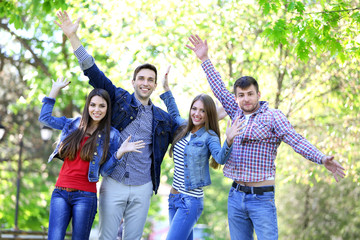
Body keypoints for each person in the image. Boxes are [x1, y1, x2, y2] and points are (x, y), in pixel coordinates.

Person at [186, 34, 346, 240]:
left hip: (261, 199)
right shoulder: (234, 111)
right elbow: (218, 87)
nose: (246, 99)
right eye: (241, 95)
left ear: (258, 94)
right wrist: (204, 59)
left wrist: (322, 158)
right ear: (236, 97)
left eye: (250, 94)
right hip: (235, 196)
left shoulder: (273, 117)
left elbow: (296, 140)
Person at [54, 11, 178, 240]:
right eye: (141, 78)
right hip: (114, 182)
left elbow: (182, 127)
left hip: (143, 186)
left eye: (150, 79)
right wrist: (73, 37)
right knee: (107, 237)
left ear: (154, 86)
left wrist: (171, 95)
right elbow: (93, 72)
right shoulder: (119, 99)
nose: (145, 83)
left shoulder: (162, 118)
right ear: (133, 82)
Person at [38, 77, 145, 240]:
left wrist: (119, 153)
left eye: (102, 106)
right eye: (93, 105)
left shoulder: (112, 135)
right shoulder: (72, 124)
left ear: (107, 109)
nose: (97, 109)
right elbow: (45, 118)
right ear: (87, 106)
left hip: (85, 196)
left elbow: (103, 170)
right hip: (60, 192)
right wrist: (55, 90)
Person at [159, 67, 245, 240]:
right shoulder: (183, 128)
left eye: (202, 111)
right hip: (173, 200)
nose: (197, 113)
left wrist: (228, 141)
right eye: (195, 109)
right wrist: (166, 88)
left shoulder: (209, 136)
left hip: (190, 202)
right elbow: (173, 110)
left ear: (208, 114)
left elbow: (220, 158)